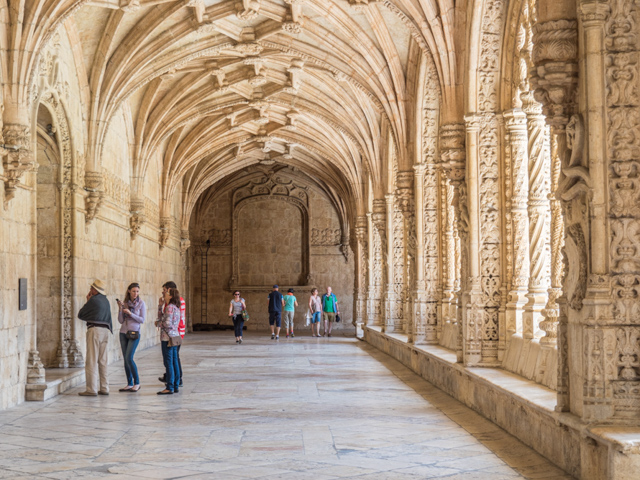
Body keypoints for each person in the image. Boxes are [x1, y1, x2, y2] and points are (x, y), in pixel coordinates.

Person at [77, 279, 112, 396]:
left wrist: (88, 301)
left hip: (95, 331)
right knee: (103, 361)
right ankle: (104, 387)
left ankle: (91, 389)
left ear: (95, 290)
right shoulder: (106, 301)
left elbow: (81, 314)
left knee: (91, 360)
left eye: (92, 288)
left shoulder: (93, 300)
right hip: (105, 332)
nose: (90, 290)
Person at [116, 283, 146, 392]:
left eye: (137, 291)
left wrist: (131, 314)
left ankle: (137, 382)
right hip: (123, 332)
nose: (135, 293)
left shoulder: (141, 303)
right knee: (125, 359)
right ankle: (129, 383)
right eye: (133, 291)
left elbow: (142, 320)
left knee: (129, 357)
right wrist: (120, 309)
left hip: (134, 333)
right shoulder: (125, 303)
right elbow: (120, 320)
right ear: (129, 291)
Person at [158, 281, 185, 386]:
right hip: (174, 334)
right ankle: (174, 381)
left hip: (171, 335)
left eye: (164, 291)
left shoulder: (173, 305)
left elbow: (169, 322)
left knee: (171, 360)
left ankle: (174, 382)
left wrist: (159, 323)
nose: (163, 293)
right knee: (172, 360)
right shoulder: (171, 304)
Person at [155, 287, 181, 395]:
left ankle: (169, 387)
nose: (164, 294)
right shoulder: (175, 307)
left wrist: (158, 324)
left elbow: (167, 323)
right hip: (174, 337)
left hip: (167, 338)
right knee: (174, 361)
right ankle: (175, 385)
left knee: (168, 362)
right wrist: (160, 306)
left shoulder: (169, 308)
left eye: (166, 293)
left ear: (170, 296)